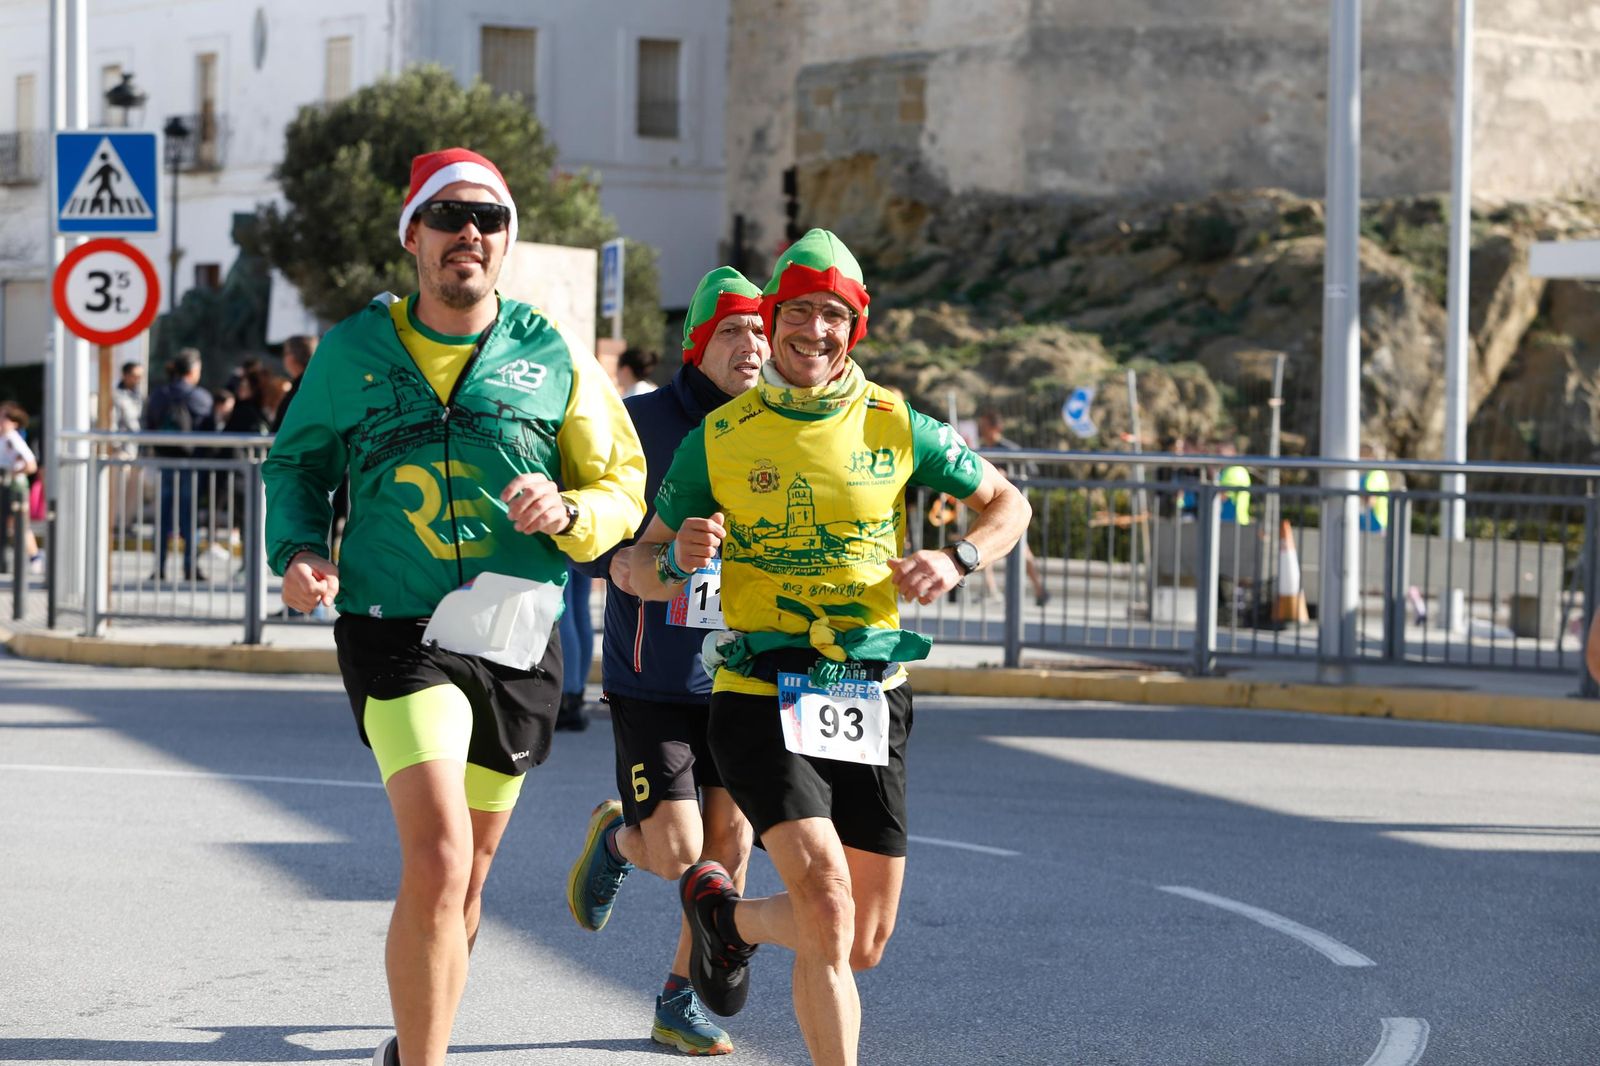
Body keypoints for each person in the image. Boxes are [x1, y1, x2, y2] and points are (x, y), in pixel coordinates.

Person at [261, 147, 647, 1066]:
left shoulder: (552, 353)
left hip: (514, 632)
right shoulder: (354, 349)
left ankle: (413, 1038)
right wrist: (302, 550)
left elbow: (622, 483)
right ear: (414, 237)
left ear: (506, 242)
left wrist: (572, 510)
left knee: (467, 883)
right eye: (448, 217)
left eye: (488, 219)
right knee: (434, 859)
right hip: (396, 629)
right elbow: (298, 462)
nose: (468, 233)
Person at [628, 230, 1031, 1066]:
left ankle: (725, 919)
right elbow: (637, 567)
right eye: (801, 313)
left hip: (870, 690)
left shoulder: (895, 420)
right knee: (825, 902)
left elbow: (1007, 505)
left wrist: (957, 558)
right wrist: (675, 559)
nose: (816, 332)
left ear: (857, 327)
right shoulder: (723, 434)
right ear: (772, 320)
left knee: (859, 941)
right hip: (758, 688)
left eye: (835, 316)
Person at [564, 266, 767, 1055]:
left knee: (734, 845)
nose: (750, 345)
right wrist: (624, 562)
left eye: (759, 330)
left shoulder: (778, 426)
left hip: (743, 674)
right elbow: (579, 528)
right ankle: (617, 839)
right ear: (696, 345)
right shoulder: (639, 420)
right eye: (731, 331)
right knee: (681, 853)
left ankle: (677, 1001)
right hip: (652, 675)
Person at [143, 348, 215, 581]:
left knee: (162, 518)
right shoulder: (201, 397)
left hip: (165, 463)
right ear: (193, 370)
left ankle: (159, 568)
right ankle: (190, 567)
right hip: (192, 466)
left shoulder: (159, 395)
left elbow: (149, 423)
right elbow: (210, 430)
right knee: (189, 518)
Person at [975, 407, 1047, 604]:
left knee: (1021, 548)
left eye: (984, 426)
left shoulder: (1008, 449)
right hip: (988, 505)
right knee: (982, 540)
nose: (981, 430)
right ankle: (991, 589)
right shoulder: (983, 449)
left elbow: (1031, 472)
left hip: (1009, 507)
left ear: (995, 427)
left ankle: (1039, 589)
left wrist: (1007, 477)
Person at [0, 401, 42, 571]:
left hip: (14, 488)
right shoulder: (5, 438)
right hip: (7, 486)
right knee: (12, 525)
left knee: (19, 525)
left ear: (13, 421)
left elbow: (31, 464)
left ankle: (35, 558)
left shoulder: (12, 438)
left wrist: (12, 472)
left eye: (3, 417)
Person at [110, 360, 145, 535]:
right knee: (119, 489)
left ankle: (127, 523)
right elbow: (112, 422)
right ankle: (116, 523)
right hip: (122, 450)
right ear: (125, 375)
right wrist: (116, 447)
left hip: (136, 450)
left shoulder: (139, 396)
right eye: (135, 376)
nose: (138, 380)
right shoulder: (117, 395)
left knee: (133, 490)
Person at [1359, 443, 1391, 533]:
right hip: (1375, 520)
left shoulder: (1375, 475)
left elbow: (1371, 500)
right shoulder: (1378, 473)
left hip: (1373, 522)